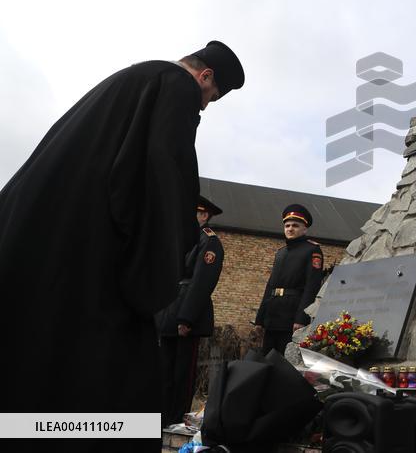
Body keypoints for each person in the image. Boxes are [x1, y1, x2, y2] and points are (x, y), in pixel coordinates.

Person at [0, 40, 243, 451]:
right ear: (205, 77)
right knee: (117, 388)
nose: (203, 108)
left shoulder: (128, 79)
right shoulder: (177, 87)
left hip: (42, 243)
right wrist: (165, 256)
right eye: (210, 99)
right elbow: (164, 171)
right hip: (91, 258)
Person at [157, 195, 226, 427]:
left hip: (187, 312)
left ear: (204, 215)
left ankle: (176, 418)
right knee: (164, 371)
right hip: (169, 311)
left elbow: (202, 282)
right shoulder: (183, 239)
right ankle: (161, 418)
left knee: (181, 373)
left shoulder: (209, 241)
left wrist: (186, 317)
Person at [254, 204, 325, 356]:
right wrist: (259, 319)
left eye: (295, 225)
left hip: (291, 317)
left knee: (285, 363)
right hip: (272, 315)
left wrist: (301, 318)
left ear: (304, 229)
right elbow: (270, 286)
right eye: (287, 225)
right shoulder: (280, 253)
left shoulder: (312, 250)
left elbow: (311, 286)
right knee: (267, 359)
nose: (290, 229)